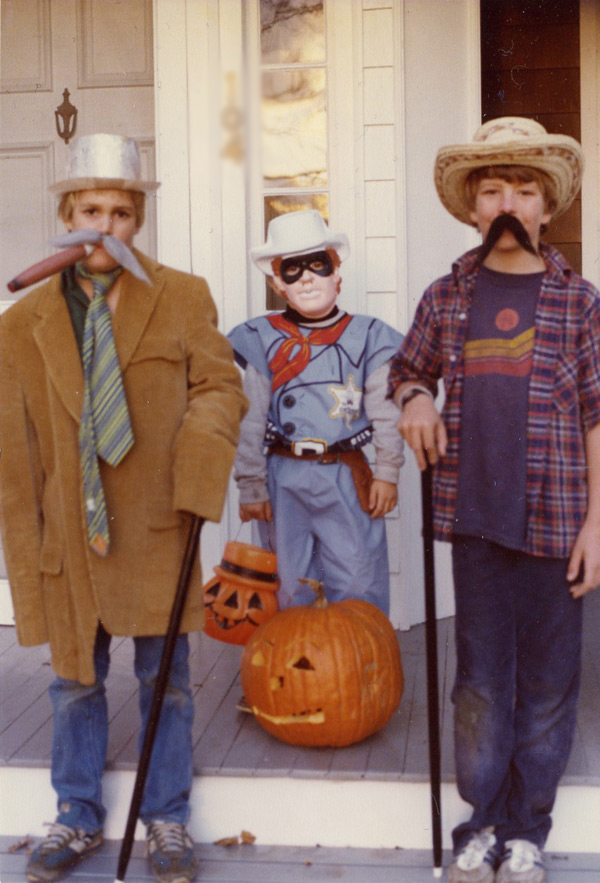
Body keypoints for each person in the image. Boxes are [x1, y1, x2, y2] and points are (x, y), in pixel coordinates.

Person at [0, 133, 247, 883]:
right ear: (66, 216)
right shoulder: (21, 324)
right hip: (71, 533)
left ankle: (166, 816)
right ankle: (75, 814)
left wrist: (202, 463)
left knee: (164, 675)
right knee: (74, 678)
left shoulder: (182, 295)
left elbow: (220, 387)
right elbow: (14, 457)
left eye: (119, 212)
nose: (102, 227)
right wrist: (25, 550)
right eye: (88, 209)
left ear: (137, 220)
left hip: (155, 522)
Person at [388, 117, 600, 883]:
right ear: (473, 208)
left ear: (547, 207)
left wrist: (598, 525)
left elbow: (597, 416)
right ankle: (478, 825)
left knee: (546, 686)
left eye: (524, 188)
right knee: (480, 685)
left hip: (557, 522)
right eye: (491, 189)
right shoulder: (447, 295)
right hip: (475, 522)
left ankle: (527, 831)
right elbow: (408, 366)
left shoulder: (580, 302)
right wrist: (415, 396)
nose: (508, 201)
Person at [227, 209, 404, 614]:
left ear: (337, 273)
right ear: (277, 284)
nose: (306, 277)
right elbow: (249, 419)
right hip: (282, 477)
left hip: (346, 473)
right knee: (288, 584)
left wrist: (388, 472)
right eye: (291, 269)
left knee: (358, 577)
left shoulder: (369, 337)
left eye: (317, 265)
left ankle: (359, 669)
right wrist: (251, 484)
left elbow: (386, 412)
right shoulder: (259, 338)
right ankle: (296, 675)